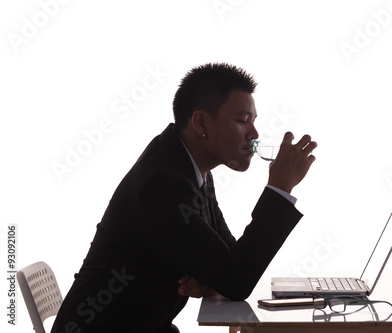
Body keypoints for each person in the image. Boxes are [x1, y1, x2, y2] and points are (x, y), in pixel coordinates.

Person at [51, 63, 317, 333]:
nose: (254, 134)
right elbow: (237, 279)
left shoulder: (193, 170)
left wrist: (215, 276)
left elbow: (231, 264)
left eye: (254, 121)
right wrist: (280, 188)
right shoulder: (162, 183)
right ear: (201, 122)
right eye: (242, 120)